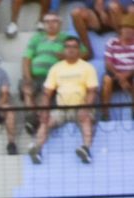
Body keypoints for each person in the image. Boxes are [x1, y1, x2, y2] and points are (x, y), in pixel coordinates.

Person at [28, 37, 98, 165]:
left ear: (79, 50)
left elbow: (92, 91)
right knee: (46, 120)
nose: (70, 50)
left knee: (86, 119)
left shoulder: (87, 67)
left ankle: (86, 148)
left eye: (74, 47)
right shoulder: (56, 68)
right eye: (67, 47)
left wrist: (86, 107)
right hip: (62, 108)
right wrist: (44, 111)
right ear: (64, 50)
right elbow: (46, 93)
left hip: (81, 107)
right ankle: (37, 149)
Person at [20, 14, 85, 134]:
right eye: (47, 21)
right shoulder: (37, 38)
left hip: (55, 78)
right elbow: (26, 59)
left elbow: (85, 54)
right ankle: (31, 120)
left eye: (54, 21)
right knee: (27, 90)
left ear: (60, 24)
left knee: (42, 96)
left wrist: (66, 56)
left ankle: (35, 123)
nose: (50, 24)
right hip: (34, 77)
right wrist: (27, 77)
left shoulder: (66, 39)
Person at [101, 14, 134, 121]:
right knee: (107, 80)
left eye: (131, 29)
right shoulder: (112, 42)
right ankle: (105, 114)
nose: (128, 31)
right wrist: (119, 77)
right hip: (115, 74)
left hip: (130, 74)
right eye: (125, 29)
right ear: (120, 30)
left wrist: (126, 76)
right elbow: (108, 63)